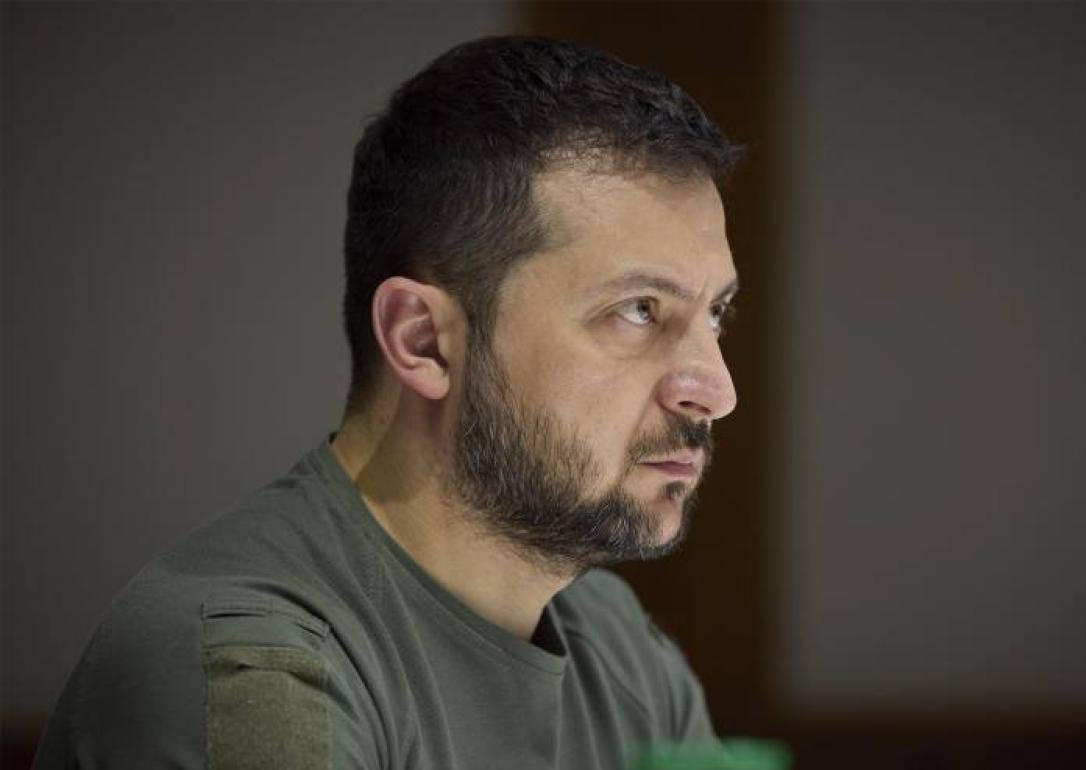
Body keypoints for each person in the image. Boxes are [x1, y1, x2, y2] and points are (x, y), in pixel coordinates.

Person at [34, 34, 742, 769]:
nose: (717, 392)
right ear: (424, 341)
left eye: (715, 314)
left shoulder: (618, 649)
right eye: (638, 310)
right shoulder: (248, 664)